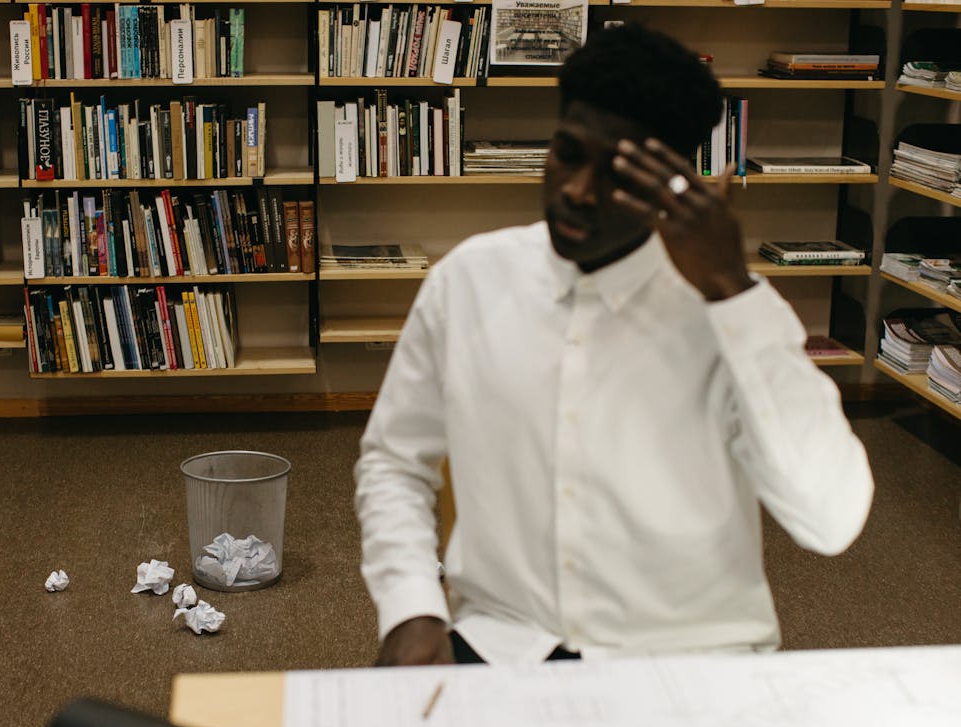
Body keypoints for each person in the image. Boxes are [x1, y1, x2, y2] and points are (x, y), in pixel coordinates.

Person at [353, 24, 874, 667]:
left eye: (617, 175)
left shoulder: (732, 314)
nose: (577, 191)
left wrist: (734, 293)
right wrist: (411, 607)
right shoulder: (468, 282)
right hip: (504, 645)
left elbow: (831, 519)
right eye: (568, 154)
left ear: (671, 181)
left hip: (691, 661)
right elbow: (394, 463)